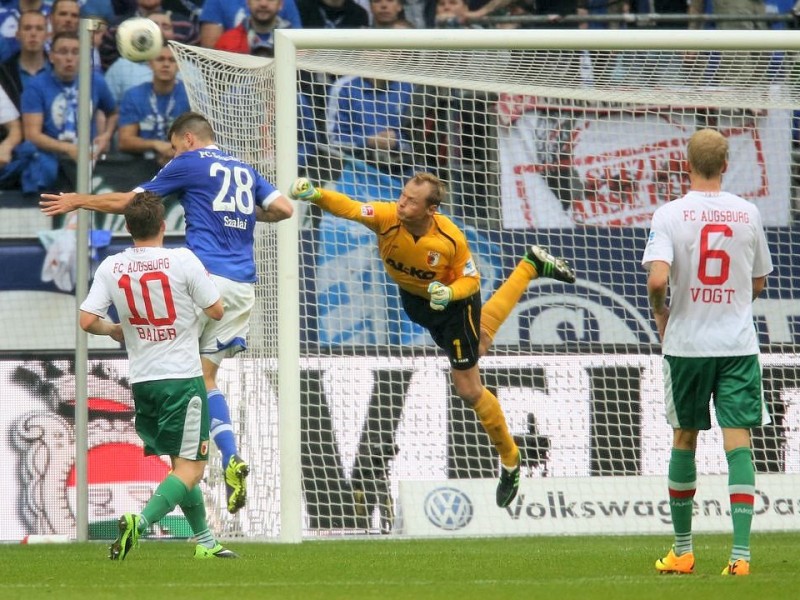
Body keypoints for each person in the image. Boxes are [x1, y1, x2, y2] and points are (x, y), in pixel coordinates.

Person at [40, 111, 295, 514]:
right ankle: (229, 457)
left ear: (188, 140)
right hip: (243, 286)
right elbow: (283, 209)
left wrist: (79, 200)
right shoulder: (244, 169)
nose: (171, 155)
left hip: (205, 276)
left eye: (174, 147)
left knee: (171, 361)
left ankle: (182, 463)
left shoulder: (189, 163)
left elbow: (134, 202)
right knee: (207, 377)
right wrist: (243, 214)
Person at [289, 172, 576, 508]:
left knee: (469, 388)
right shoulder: (387, 218)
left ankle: (510, 459)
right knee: (480, 342)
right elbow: (351, 208)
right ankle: (530, 265)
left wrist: (448, 291)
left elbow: (471, 282)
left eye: (412, 200)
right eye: (403, 195)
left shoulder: (449, 239)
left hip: (455, 306)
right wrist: (315, 194)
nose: (402, 202)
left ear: (431, 209)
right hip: (418, 303)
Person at [642, 129, 773, 576]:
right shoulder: (748, 212)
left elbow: (658, 281)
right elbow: (758, 282)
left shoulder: (669, 214)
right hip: (736, 344)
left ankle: (683, 551)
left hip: (687, 346)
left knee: (685, 438)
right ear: (726, 165)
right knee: (739, 442)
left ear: (686, 163)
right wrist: (733, 306)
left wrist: (662, 316)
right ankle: (740, 557)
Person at [79, 191, 236, 560]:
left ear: (128, 227)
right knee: (192, 470)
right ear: (164, 225)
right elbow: (216, 310)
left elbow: (87, 321)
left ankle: (206, 542)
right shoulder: (183, 260)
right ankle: (142, 522)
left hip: (143, 380)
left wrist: (114, 329)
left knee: (178, 467)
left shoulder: (111, 266)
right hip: (182, 378)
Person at [21, 31, 117, 194]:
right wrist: (69, 149)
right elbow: (32, 134)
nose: (69, 58)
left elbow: (113, 112)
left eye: (75, 52)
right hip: (52, 160)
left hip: (89, 159)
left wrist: (106, 135)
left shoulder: (96, 81)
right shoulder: (35, 86)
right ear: (51, 56)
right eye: (63, 52)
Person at [117, 44, 190, 167]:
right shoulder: (134, 95)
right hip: (141, 165)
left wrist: (175, 151)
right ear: (150, 63)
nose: (166, 64)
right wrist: (155, 144)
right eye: (160, 59)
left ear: (179, 65)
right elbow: (125, 141)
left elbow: (200, 140)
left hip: (182, 163)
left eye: (172, 60)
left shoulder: (190, 96)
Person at [214, 0, 291, 55]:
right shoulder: (226, 42)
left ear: (280, 4)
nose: (263, 3)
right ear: (247, 3)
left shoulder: (295, 43)